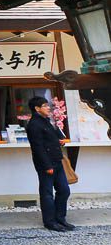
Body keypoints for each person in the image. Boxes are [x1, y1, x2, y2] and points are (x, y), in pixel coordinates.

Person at [26, 96, 74, 232]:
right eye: (45, 105)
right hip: (46, 164)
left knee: (64, 190)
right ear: (37, 109)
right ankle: (50, 221)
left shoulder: (46, 121)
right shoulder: (34, 124)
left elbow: (50, 139)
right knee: (47, 193)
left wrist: (58, 141)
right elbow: (38, 147)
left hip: (57, 160)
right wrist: (47, 166)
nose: (48, 108)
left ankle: (60, 218)